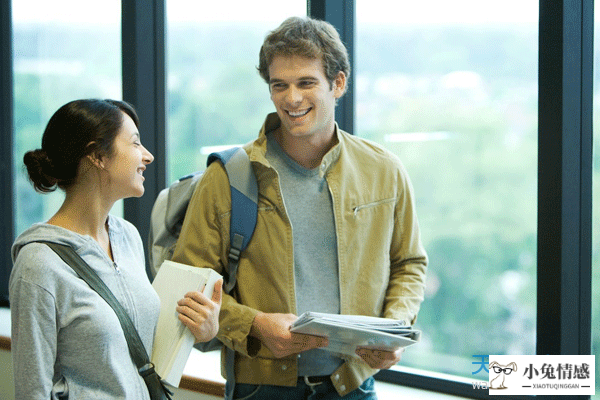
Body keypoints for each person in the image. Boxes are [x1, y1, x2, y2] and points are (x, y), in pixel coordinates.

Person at [172, 16, 427, 400]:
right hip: (260, 388)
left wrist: (393, 329)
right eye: (280, 85)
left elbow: (408, 263)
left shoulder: (384, 170)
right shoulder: (228, 177)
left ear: (338, 83)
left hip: (353, 385)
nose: (292, 98)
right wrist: (255, 324)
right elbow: (190, 289)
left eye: (306, 83)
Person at [9, 99, 223, 399]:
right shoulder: (38, 265)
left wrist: (200, 332)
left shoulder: (127, 237)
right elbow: (33, 390)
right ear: (98, 155)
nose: (147, 156)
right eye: (135, 143)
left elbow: (139, 349)